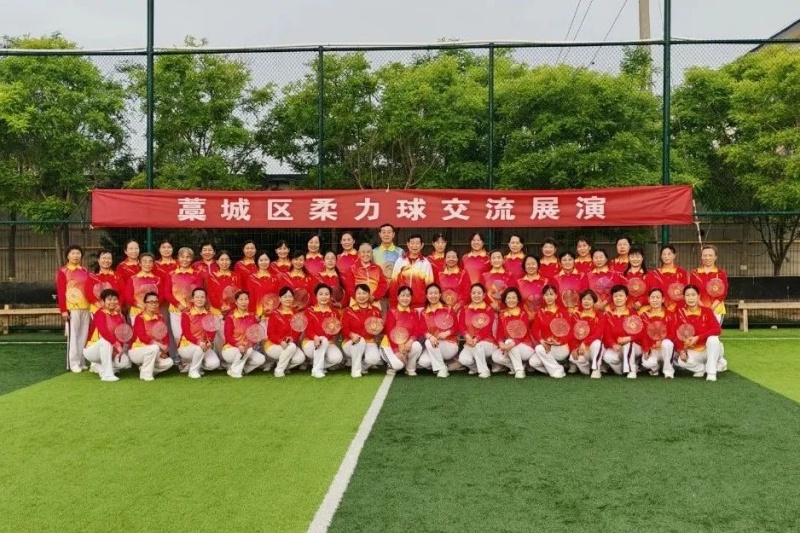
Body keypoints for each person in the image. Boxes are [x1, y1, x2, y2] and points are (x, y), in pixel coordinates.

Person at [675, 284, 726, 382]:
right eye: (687, 295)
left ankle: (711, 373)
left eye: (693, 295)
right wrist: (681, 351)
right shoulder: (680, 313)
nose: (690, 298)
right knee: (681, 362)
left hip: (709, 349)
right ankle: (702, 369)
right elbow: (677, 334)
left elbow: (717, 330)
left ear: (698, 296)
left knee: (713, 339)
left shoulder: (707, 311)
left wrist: (698, 337)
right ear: (684, 297)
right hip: (694, 351)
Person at [83, 288, 132, 382]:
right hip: (92, 350)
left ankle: (100, 366)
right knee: (105, 341)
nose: (112, 302)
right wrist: (117, 346)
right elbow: (104, 332)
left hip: (110, 348)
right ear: (102, 301)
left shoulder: (119, 316)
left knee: (124, 362)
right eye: (109, 299)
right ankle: (107, 375)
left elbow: (121, 335)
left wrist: (119, 349)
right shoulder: (99, 314)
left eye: (115, 299)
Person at [57, 244, 91, 373]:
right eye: (73, 253)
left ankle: (81, 361)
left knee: (84, 335)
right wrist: (63, 310)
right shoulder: (63, 271)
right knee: (73, 336)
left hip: (86, 307)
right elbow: (60, 292)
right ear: (67, 256)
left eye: (78, 253)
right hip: (72, 309)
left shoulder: (85, 270)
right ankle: (73, 363)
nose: (76, 256)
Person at [165, 247, 204, 355]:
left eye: (188, 257)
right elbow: (167, 292)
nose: (185, 259)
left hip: (192, 311)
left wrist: (191, 306)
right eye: (182, 257)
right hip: (175, 311)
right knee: (178, 335)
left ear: (192, 259)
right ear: (178, 258)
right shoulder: (171, 274)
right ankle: (181, 358)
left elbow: (199, 292)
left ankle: (192, 358)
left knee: (192, 334)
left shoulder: (197, 274)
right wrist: (178, 304)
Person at [221, 291, 267, 378]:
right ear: (236, 302)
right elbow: (228, 336)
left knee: (261, 359)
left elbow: (254, 335)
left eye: (246, 299)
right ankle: (235, 371)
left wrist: (250, 343)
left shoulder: (252, 316)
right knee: (248, 350)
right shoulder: (230, 317)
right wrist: (238, 344)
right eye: (241, 299)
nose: (244, 302)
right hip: (231, 349)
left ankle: (238, 369)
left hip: (246, 348)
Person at [302, 284, 345, 378]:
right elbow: (307, 330)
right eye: (321, 294)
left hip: (329, 342)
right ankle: (316, 370)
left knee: (337, 358)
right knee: (322, 340)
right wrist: (315, 337)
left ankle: (318, 365)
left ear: (330, 296)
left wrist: (337, 329)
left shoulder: (334, 312)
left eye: (326, 294)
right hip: (311, 343)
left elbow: (336, 330)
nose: (324, 297)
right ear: (316, 296)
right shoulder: (309, 311)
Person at [130, 291, 174, 381]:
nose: (153, 304)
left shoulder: (160, 317)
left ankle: (144, 369)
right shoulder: (139, 318)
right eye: (150, 302)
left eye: (156, 302)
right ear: (145, 304)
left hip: (155, 350)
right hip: (138, 350)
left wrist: (165, 348)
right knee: (154, 348)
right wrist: (160, 345)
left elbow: (165, 335)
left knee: (169, 362)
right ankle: (146, 375)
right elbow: (142, 337)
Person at [600, 285, 643, 379]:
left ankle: (631, 370)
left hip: (633, 346)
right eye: (615, 296)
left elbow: (641, 333)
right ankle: (621, 370)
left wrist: (629, 338)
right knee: (608, 357)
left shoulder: (632, 313)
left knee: (628, 344)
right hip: (617, 347)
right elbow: (606, 334)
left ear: (626, 298)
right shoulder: (608, 315)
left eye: (621, 295)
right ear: (612, 298)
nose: (618, 298)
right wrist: (613, 344)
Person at [342, 284, 384, 378]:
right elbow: (344, 328)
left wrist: (381, 325)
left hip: (369, 342)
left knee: (374, 359)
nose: (361, 296)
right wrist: (351, 335)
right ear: (355, 295)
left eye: (364, 293)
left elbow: (380, 330)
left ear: (369, 295)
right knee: (360, 341)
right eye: (358, 293)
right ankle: (355, 371)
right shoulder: (348, 310)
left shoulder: (376, 311)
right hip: (352, 342)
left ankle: (362, 366)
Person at [178, 287, 221, 379]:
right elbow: (186, 333)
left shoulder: (210, 314)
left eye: (202, 297)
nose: (200, 299)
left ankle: (197, 365)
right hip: (187, 345)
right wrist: (198, 342)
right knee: (199, 348)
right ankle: (193, 371)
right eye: (197, 297)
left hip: (204, 345)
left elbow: (212, 331)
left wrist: (209, 341)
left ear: (205, 299)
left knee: (214, 364)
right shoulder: (186, 314)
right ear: (193, 299)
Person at [382, 286, 425, 376]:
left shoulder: (414, 312)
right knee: (398, 366)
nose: (405, 298)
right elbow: (390, 333)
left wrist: (411, 341)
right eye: (403, 295)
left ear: (411, 298)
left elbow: (416, 330)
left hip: (406, 345)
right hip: (390, 345)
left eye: (408, 296)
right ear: (398, 297)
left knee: (417, 345)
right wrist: (396, 351)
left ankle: (410, 368)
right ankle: (392, 366)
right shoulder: (392, 312)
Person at [262, 287, 305, 377]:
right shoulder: (275, 314)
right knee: (292, 347)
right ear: (280, 299)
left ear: (293, 298)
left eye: (290, 296)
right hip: (274, 345)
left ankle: (282, 365)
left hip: (289, 345)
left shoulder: (295, 312)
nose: (288, 299)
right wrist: (280, 341)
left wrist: (293, 338)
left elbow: (298, 330)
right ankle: (279, 370)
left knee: (300, 358)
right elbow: (270, 333)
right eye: (285, 297)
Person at [418, 283, 459, 378]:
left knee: (428, 342)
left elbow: (456, 327)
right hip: (433, 344)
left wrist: (447, 333)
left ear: (440, 295)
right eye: (430, 293)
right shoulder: (424, 312)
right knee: (423, 362)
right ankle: (444, 365)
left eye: (436, 293)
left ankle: (442, 369)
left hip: (449, 344)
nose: (433, 295)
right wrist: (430, 336)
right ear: (426, 295)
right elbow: (421, 329)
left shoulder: (448, 309)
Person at [457, 283, 497, 378]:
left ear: (484, 295)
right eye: (474, 293)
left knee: (478, 346)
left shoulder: (488, 310)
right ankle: (475, 368)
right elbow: (461, 326)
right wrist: (467, 337)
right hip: (470, 341)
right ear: (470, 294)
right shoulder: (465, 309)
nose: (476, 295)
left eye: (479, 293)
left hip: (487, 342)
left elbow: (487, 329)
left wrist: (476, 339)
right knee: (463, 360)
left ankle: (484, 371)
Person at [531, 284, 571, 378]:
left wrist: (559, 341)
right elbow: (534, 330)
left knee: (538, 348)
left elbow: (570, 331)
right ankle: (558, 368)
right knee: (533, 362)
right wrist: (541, 340)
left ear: (556, 296)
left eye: (551, 294)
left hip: (561, 346)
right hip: (546, 346)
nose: (549, 297)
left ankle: (556, 369)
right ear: (543, 297)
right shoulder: (540, 313)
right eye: (546, 295)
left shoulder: (563, 312)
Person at [493, 287, 533, 379]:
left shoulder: (523, 314)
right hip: (510, 347)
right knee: (496, 356)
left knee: (509, 341)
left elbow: (522, 334)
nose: (511, 300)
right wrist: (501, 343)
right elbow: (499, 333)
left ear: (518, 300)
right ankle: (516, 366)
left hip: (525, 347)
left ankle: (520, 371)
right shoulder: (502, 314)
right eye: (509, 298)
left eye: (514, 298)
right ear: (505, 300)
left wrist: (510, 344)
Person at [638, 288, 676, 379]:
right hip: (653, 349)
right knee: (647, 363)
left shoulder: (670, 315)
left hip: (666, 348)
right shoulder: (644, 316)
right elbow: (643, 335)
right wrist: (646, 348)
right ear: (648, 299)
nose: (655, 300)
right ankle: (656, 368)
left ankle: (668, 372)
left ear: (663, 299)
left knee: (667, 343)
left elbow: (673, 334)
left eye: (658, 297)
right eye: (653, 297)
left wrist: (662, 340)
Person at [389, 233, 434, 309]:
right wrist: (393, 304)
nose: (414, 246)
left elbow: (430, 286)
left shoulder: (426, 263)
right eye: (412, 243)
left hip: (419, 305)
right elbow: (394, 284)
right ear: (408, 244)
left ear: (422, 245)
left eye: (417, 243)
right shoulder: (400, 261)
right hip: (401, 304)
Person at [690, 244, 728, 325]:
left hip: (716, 310)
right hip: (698, 309)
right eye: (705, 255)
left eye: (710, 255)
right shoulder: (695, 273)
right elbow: (692, 291)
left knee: (713, 333)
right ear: (701, 257)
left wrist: (711, 308)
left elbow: (723, 293)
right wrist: (703, 307)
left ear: (715, 257)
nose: (707, 258)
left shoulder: (721, 273)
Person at [645, 245, 689, 312]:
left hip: (678, 308)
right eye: (664, 254)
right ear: (661, 256)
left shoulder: (682, 272)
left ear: (674, 255)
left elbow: (685, 292)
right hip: (660, 309)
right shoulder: (654, 274)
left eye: (669, 254)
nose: (666, 256)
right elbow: (652, 293)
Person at [570, 290, 604, 377]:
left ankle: (596, 369)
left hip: (593, 348)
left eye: (589, 299)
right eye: (584, 299)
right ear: (581, 301)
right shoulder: (576, 315)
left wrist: (585, 342)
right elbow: (571, 334)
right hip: (581, 349)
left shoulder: (600, 315)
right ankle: (588, 367)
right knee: (573, 359)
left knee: (597, 343)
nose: (586, 302)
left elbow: (598, 333)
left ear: (594, 301)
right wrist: (573, 348)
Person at [124, 252, 163, 322]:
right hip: (137, 312)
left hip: (154, 312)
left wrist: (153, 305)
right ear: (140, 263)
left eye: (150, 262)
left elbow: (161, 295)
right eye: (145, 262)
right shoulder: (132, 279)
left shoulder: (157, 279)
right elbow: (128, 296)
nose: (147, 264)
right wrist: (139, 305)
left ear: (153, 264)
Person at [246, 252, 281, 319]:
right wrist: (252, 313)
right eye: (261, 260)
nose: (264, 262)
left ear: (269, 261)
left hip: (272, 313)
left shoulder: (275, 278)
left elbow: (277, 297)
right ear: (257, 261)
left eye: (266, 260)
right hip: (258, 314)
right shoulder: (252, 278)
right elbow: (251, 297)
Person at [206, 251, 241, 316]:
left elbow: (238, 294)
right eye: (222, 260)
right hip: (216, 310)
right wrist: (220, 306)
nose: (224, 262)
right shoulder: (212, 276)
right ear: (217, 261)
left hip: (233, 311)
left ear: (230, 261)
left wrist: (230, 307)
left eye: (227, 260)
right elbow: (211, 294)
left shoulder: (236, 276)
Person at [88, 249, 123, 314]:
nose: (106, 260)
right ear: (98, 260)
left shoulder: (118, 276)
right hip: (97, 310)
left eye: (109, 258)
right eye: (104, 258)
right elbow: (89, 294)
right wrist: (102, 308)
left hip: (115, 310)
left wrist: (118, 305)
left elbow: (122, 293)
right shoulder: (92, 277)